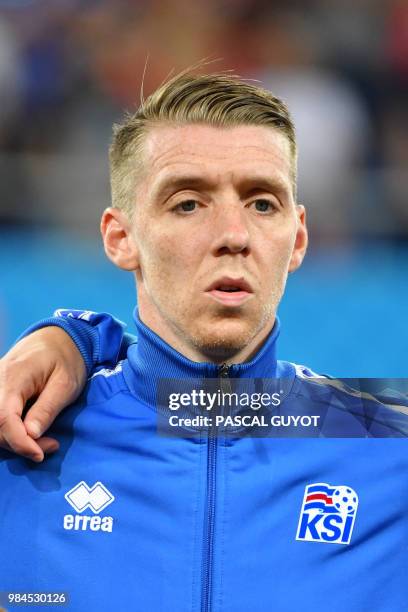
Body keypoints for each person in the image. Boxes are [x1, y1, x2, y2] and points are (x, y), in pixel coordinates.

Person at [0, 71, 407, 612]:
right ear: (121, 238)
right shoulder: (18, 440)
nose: (234, 235)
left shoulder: (390, 454)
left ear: (298, 238)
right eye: (188, 203)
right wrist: (79, 334)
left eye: (262, 203)